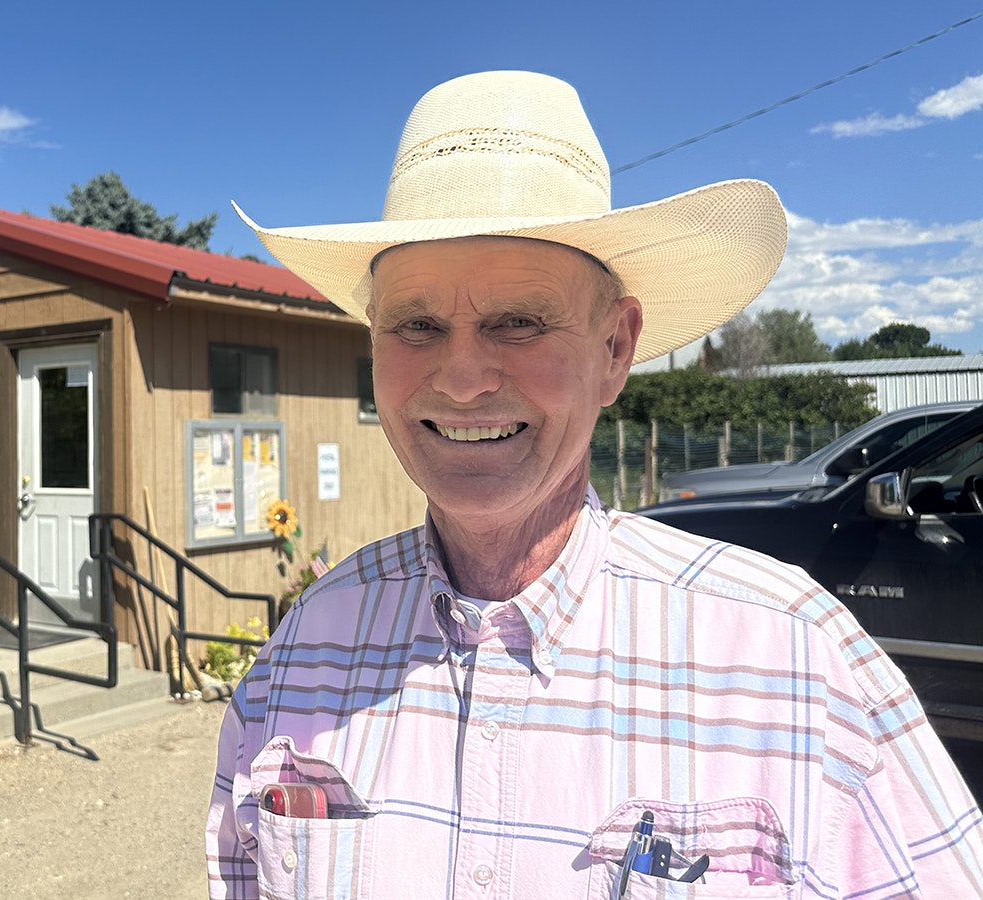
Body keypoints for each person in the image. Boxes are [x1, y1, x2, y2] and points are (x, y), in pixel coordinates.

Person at [205, 71, 983, 897]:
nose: (462, 377)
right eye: (417, 325)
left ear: (616, 347)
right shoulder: (300, 652)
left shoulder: (797, 663)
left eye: (520, 321)